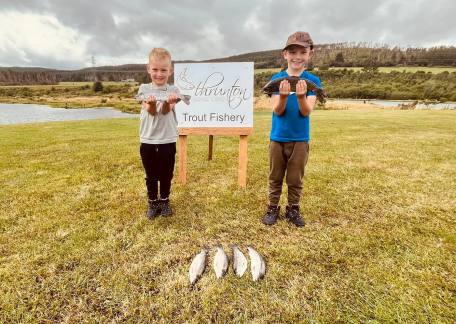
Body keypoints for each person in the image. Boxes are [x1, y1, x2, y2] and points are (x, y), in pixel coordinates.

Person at [262, 31, 322, 227]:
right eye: (293, 52)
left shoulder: (313, 81)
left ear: (309, 54)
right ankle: (272, 208)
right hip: (277, 137)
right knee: (275, 176)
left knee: (296, 178)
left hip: (300, 139)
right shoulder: (277, 79)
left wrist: (301, 97)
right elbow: (278, 111)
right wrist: (285, 96)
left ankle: (293, 209)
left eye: (302, 52)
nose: (297, 56)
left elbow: (306, 112)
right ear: (285, 54)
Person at [137, 48, 180, 218]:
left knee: (166, 173)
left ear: (170, 71)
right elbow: (152, 111)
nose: (159, 74)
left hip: (167, 139)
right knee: (151, 173)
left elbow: (165, 112)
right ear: (148, 69)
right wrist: (153, 103)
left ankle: (165, 201)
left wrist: (169, 102)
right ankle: (153, 202)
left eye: (163, 70)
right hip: (147, 139)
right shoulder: (144, 88)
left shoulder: (174, 89)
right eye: (155, 69)